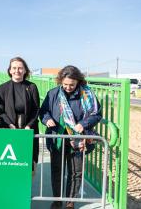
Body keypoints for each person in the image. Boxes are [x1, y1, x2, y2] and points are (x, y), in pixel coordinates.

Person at [39, 65, 102, 209]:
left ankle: (70, 202)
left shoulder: (87, 95)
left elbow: (97, 114)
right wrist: (47, 119)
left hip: (79, 141)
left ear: (78, 82)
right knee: (57, 171)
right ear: (60, 81)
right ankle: (57, 200)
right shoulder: (53, 94)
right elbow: (43, 111)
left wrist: (84, 124)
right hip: (57, 139)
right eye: (65, 84)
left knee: (75, 172)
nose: (68, 87)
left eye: (71, 85)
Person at [0, 56, 40, 174]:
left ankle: (26, 189)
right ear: (10, 70)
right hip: (8, 128)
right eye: (14, 68)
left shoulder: (31, 87)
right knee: (10, 162)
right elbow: (0, 110)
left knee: (26, 162)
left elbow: (36, 109)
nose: (17, 71)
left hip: (27, 129)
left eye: (20, 68)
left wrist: (29, 126)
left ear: (25, 70)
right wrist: (9, 124)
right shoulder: (3, 88)